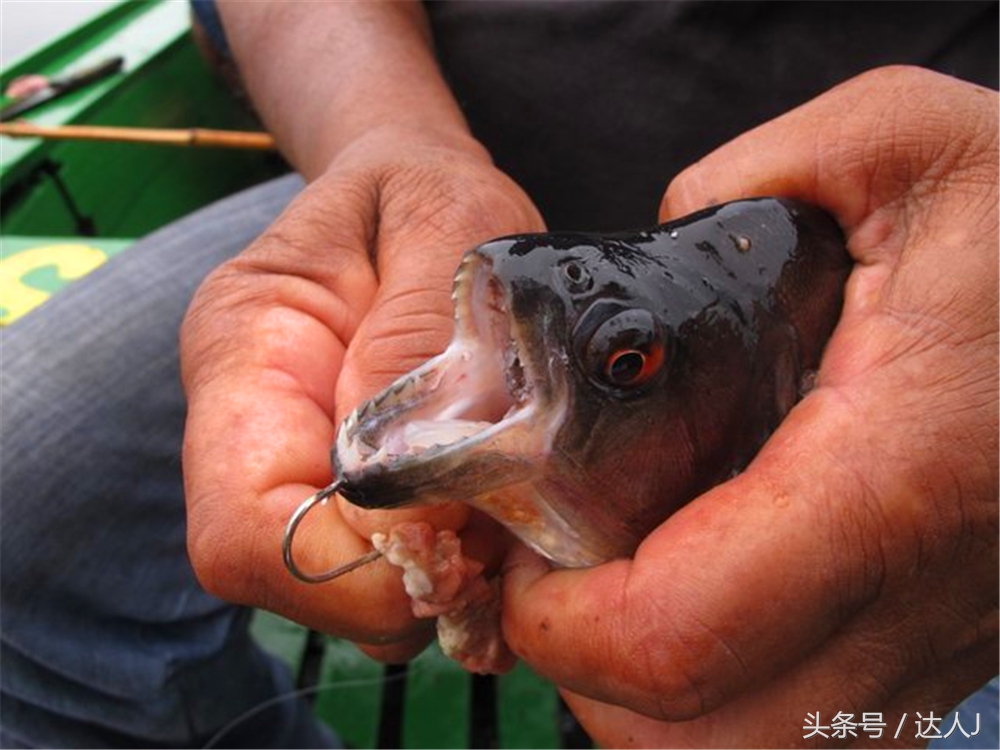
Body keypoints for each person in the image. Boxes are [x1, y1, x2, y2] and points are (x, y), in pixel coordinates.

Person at [1, 1, 996, 747]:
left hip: (935, 262)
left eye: (623, 367)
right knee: (21, 484)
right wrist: (384, 139)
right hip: (419, 153)